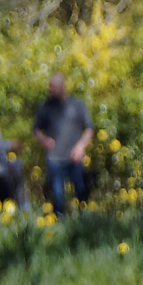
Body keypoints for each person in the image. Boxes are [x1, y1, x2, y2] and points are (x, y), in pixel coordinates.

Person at [33, 72, 93, 212]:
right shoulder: (45, 107)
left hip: (74, 158)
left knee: (82, 192)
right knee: (58, 196)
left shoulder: (76, 104)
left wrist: (81, 146)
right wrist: (44, 140)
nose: (50, 90)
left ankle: (85, 220)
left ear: (62, 86)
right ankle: (60, 223)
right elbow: (36, 129)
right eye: (50, 87)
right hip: (55, 159)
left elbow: (89, 129)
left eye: (53, 87)